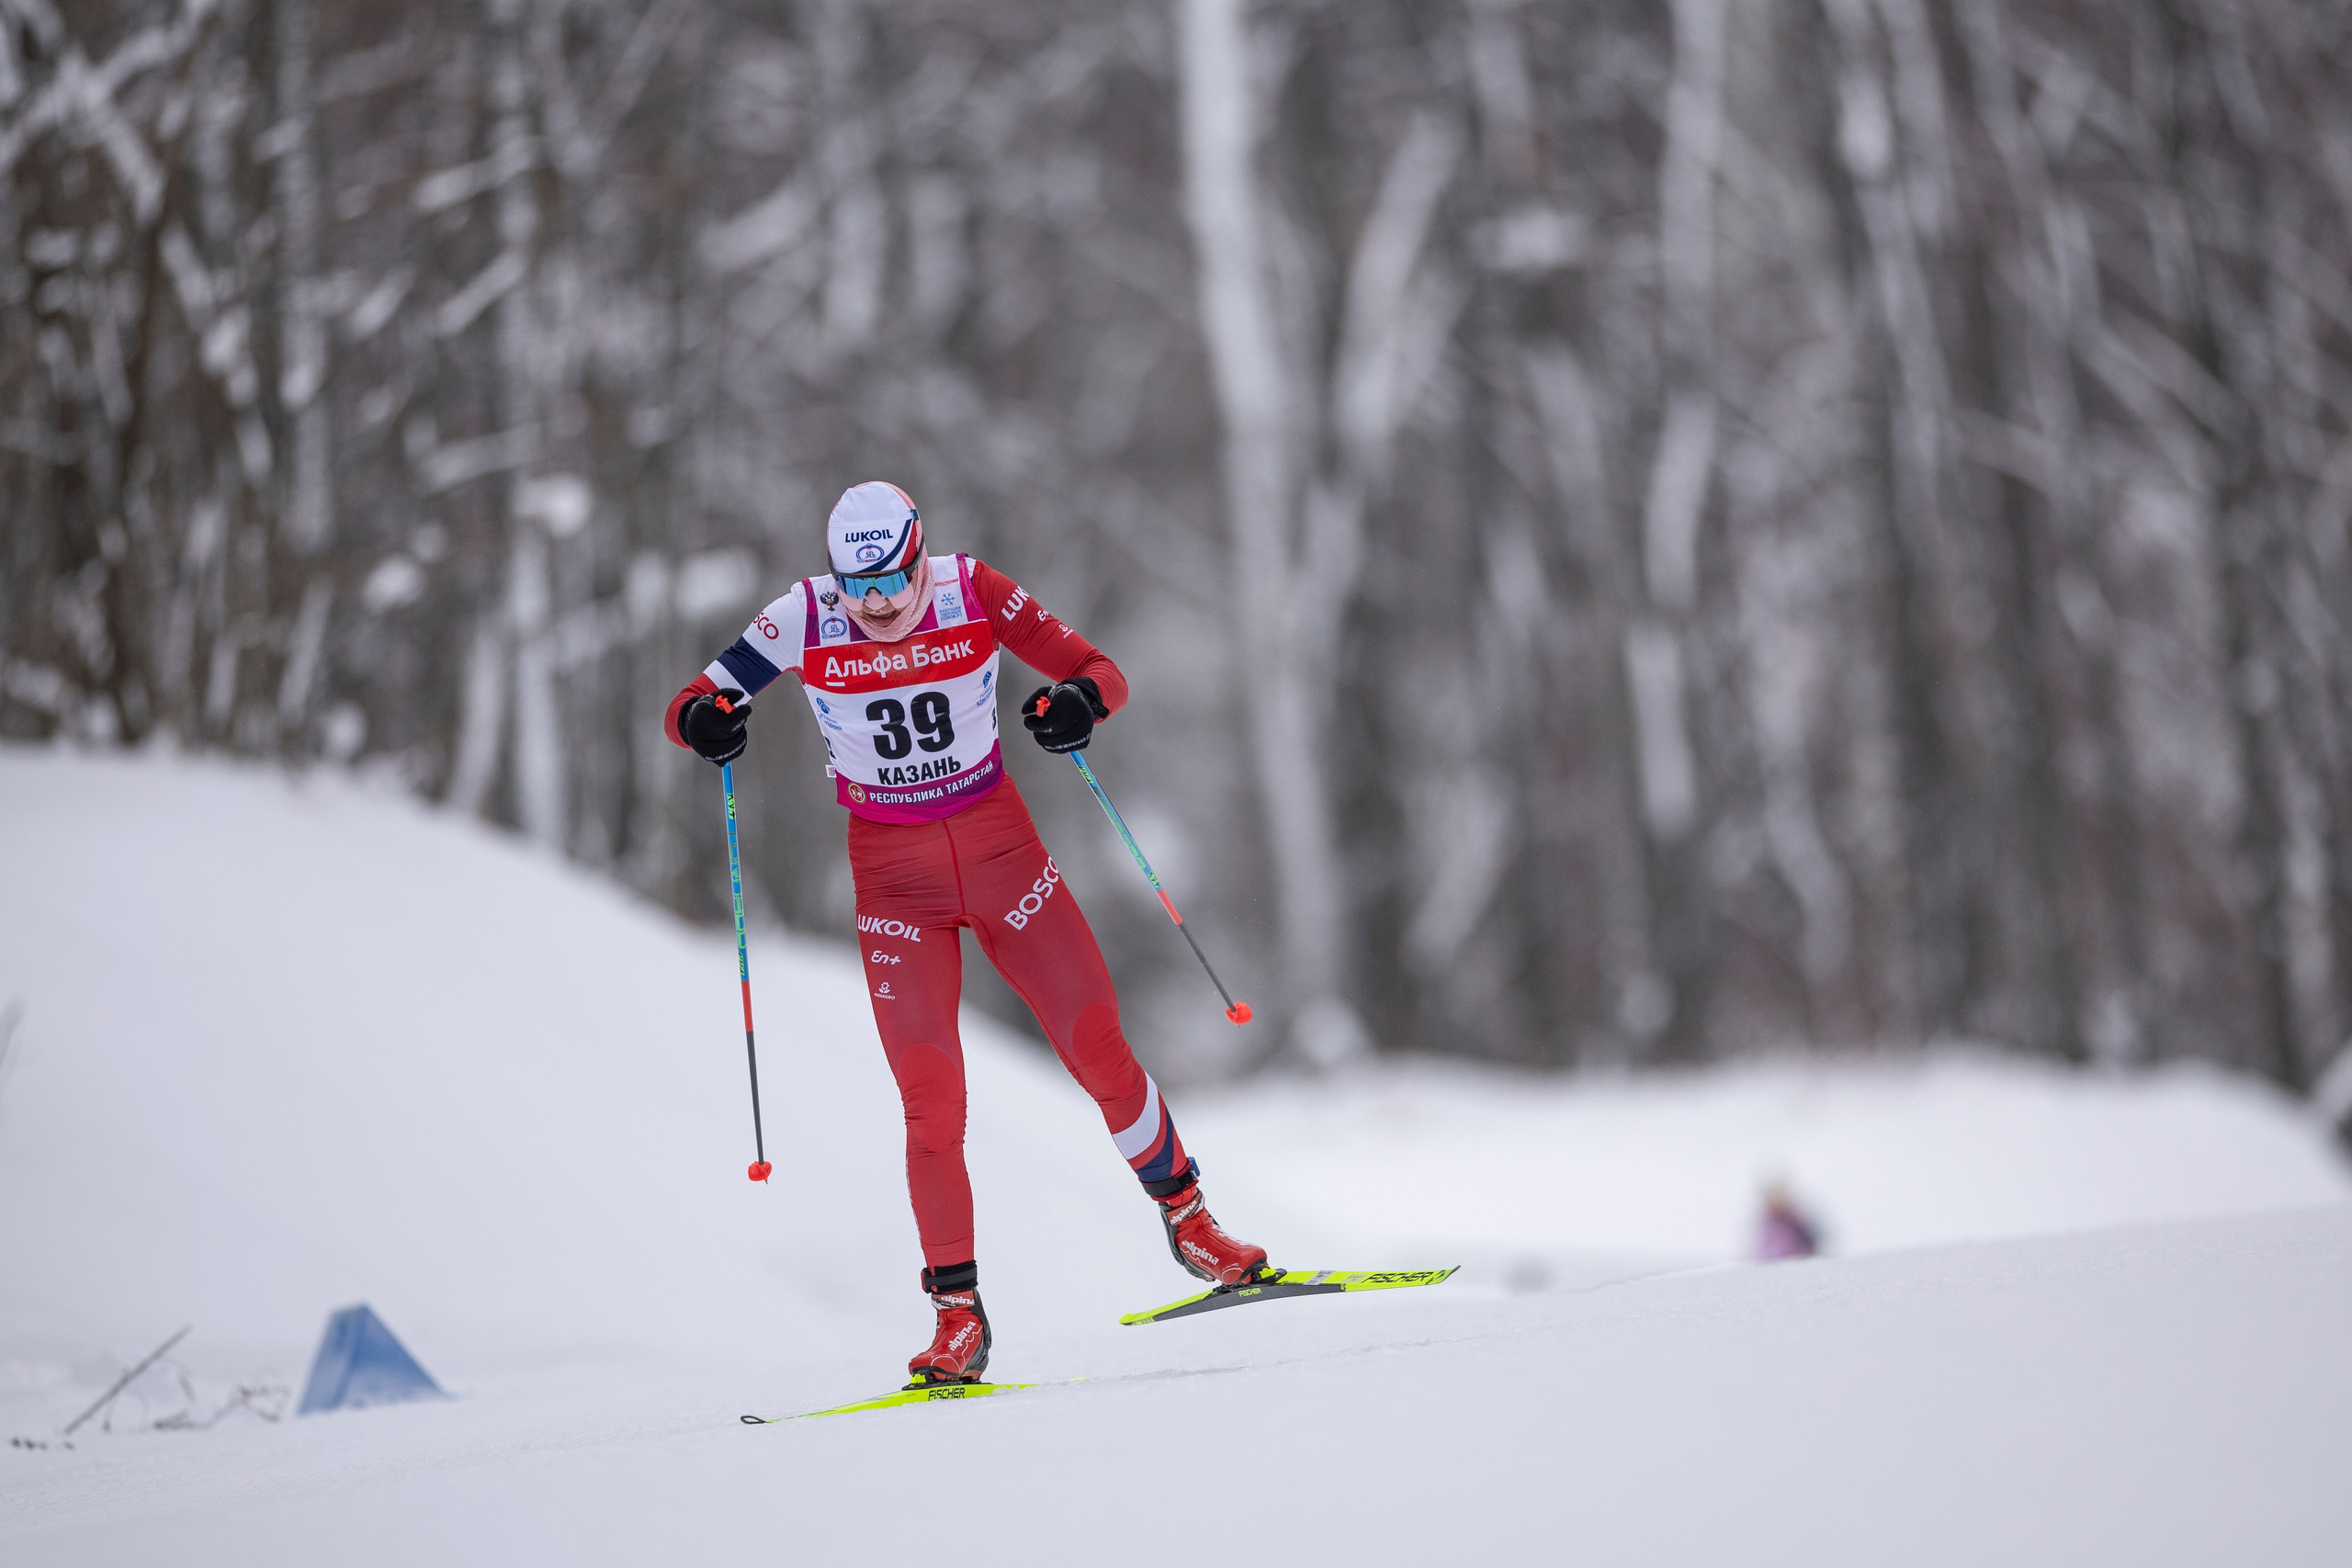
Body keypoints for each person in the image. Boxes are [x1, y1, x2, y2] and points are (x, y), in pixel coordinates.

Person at [664, 480, 1272, 1386]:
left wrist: (1076, 706)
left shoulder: (970, 590)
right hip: (892, 875)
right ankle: (957, 1313)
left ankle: (1190, 1221)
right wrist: (708, 721)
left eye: (890, 581)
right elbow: (693, 703)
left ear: (918, 555)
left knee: (1094, 1044)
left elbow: (1102, 671)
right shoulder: (804, 615)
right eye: (855, 585)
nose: (874, 604)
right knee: (928, 1096)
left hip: (1000, 850)